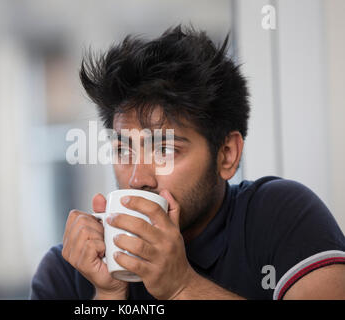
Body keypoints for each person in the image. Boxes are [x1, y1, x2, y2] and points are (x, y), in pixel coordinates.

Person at [30, 24, 345, 300]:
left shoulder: (279, 214)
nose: (138, 178)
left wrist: (182, 287)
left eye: (164, 150)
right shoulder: (66, 271)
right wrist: (109, 294)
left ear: (227, 155)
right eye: (124, 151)